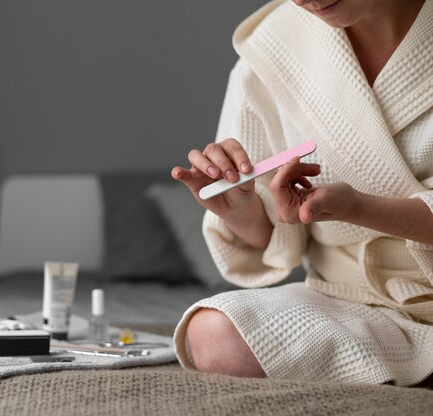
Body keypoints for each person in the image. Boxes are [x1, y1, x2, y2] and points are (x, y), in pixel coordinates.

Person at [172, 0, 433, 386]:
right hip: (349, 301)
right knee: (214, 335)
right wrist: (241, 208)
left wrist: (360, 208)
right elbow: (271, 238)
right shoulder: (276, 45)